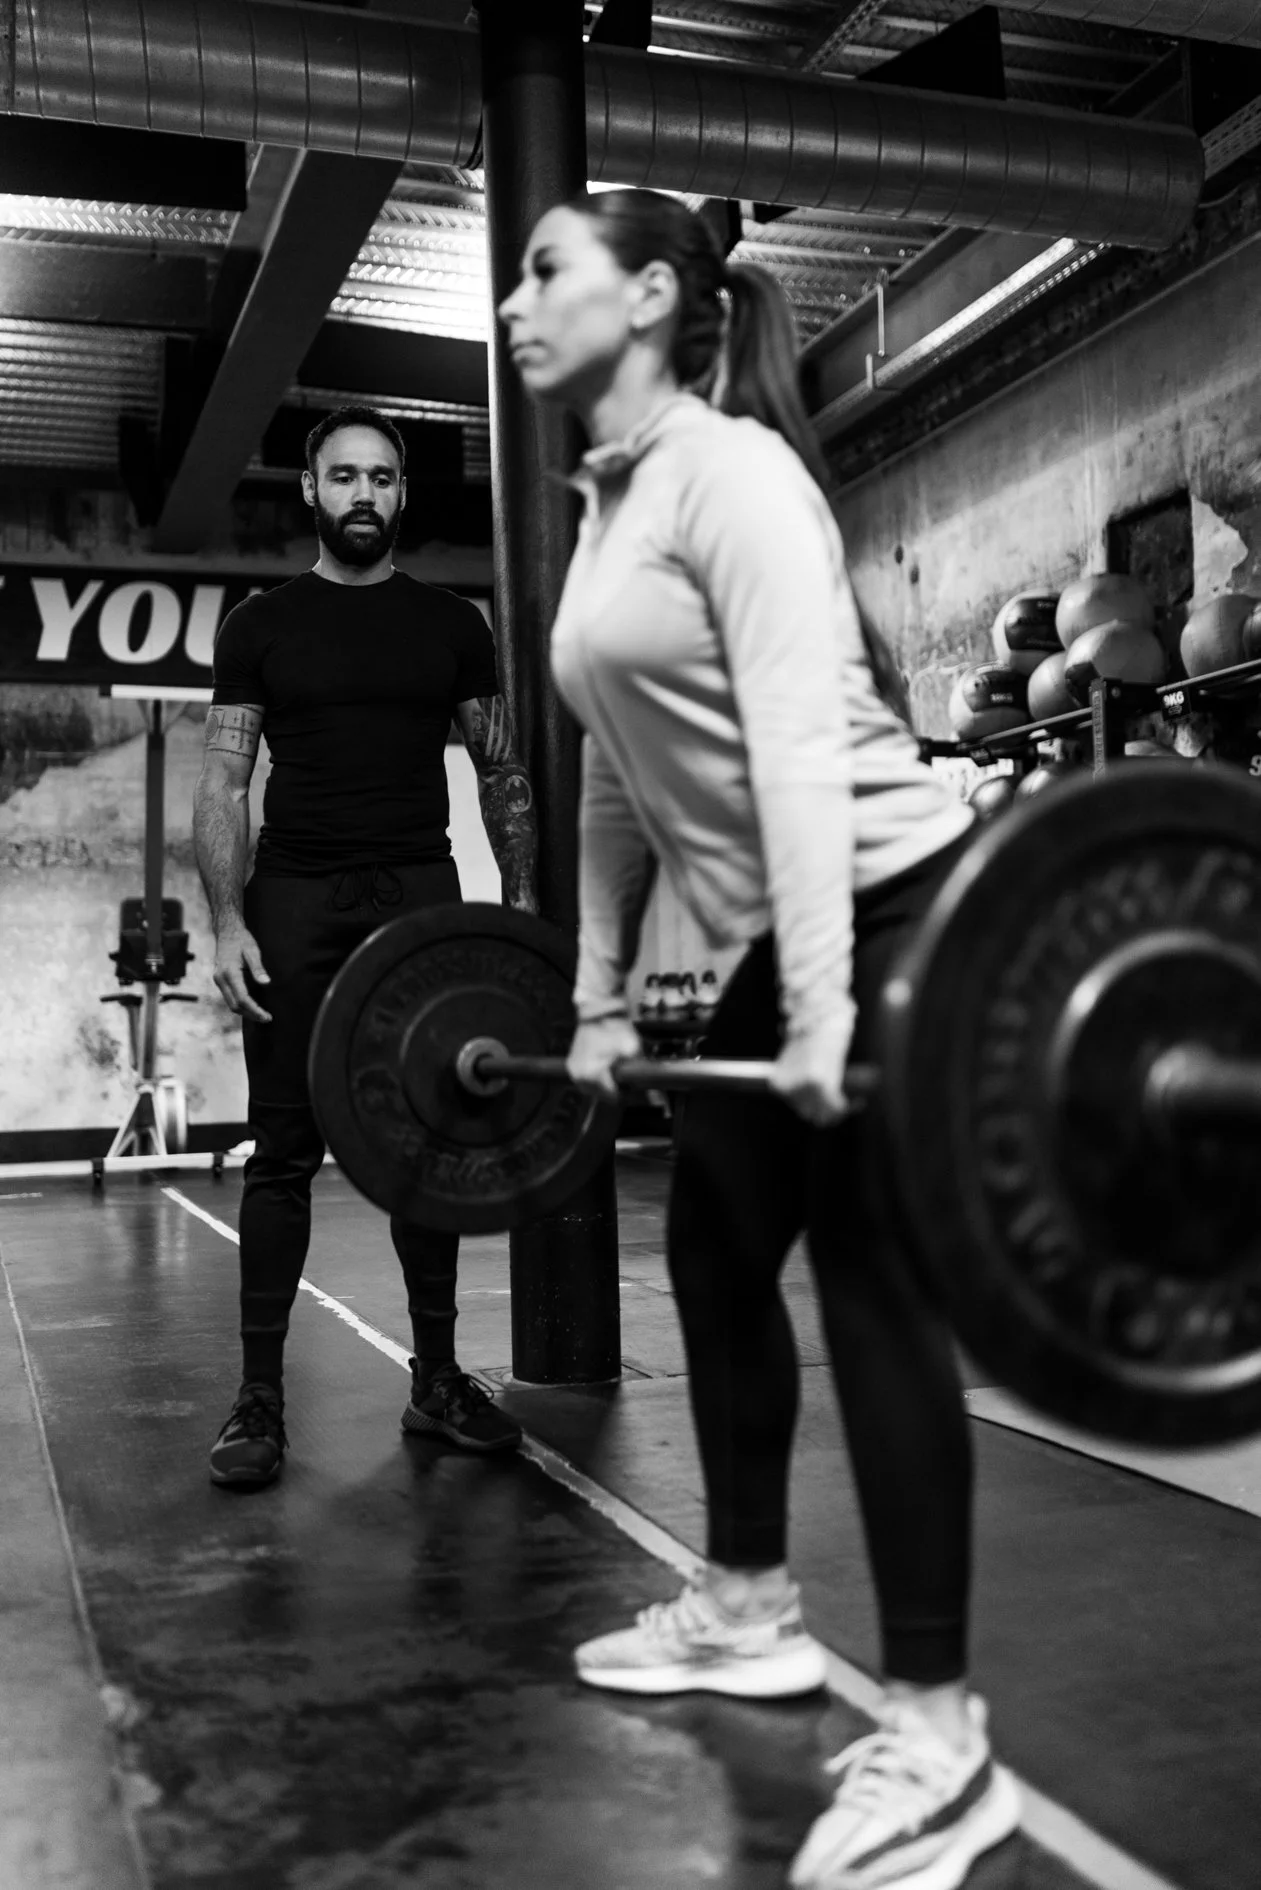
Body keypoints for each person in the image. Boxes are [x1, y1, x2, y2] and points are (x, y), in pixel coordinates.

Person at [499, 192, 1021, 1890]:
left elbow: (799, 758)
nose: (517, 301)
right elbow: (603, 784)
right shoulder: (610, 499)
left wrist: (819, 1015)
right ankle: (747, 1610)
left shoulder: (736, 480)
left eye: (545, 270)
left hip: (884, 902)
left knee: (871, 1290)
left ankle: (942, 1743)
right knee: (719, 1259)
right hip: (750, 934)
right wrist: (590, 996)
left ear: (651, 298)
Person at [195, 404, 535, 1489]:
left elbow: (501, 770)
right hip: (292, 896)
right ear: (310, 489)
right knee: (284, 1149)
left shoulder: (451, 624)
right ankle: (259, 1401)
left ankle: (435, 1381)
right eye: (343, 477)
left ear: (399, 493)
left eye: (381, 480)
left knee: (426, 1140)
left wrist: (516, 910)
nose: (363, 497)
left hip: (420, 898)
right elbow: (222, 779)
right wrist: (225, 917)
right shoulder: (260, 624)